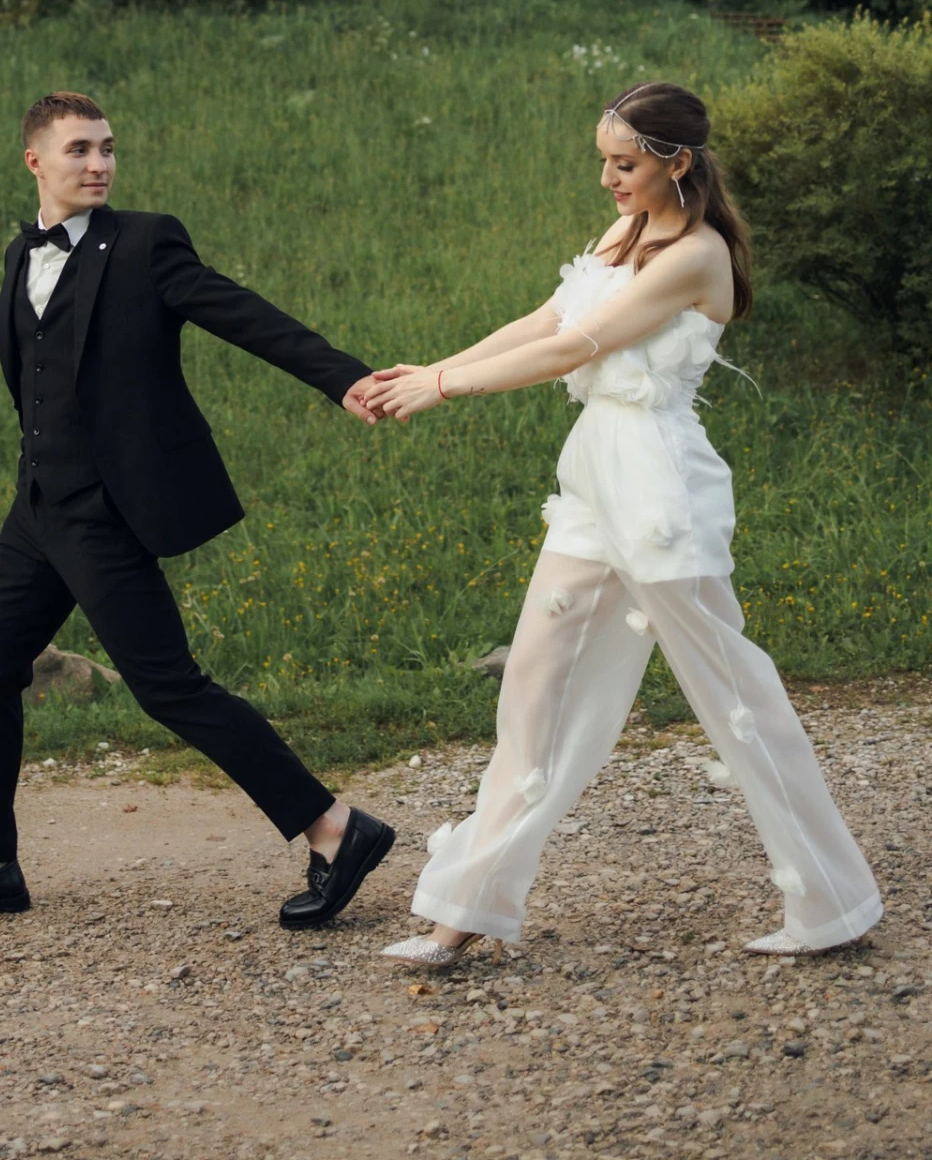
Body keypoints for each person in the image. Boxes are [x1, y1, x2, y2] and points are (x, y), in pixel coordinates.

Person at [368, 80, 882, 968]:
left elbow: (578, 347)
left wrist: (443, 389)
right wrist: (429, 367)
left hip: (658, 487)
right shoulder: (627, 230)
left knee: (735, 697)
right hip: (593, 480)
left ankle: (833, 902)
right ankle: (467, 907)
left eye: (625, 163)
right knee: (535, 685)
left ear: (676, 162)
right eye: (604, 161)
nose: (608, 178)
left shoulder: (697, 254)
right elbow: (545, 320)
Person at [0, 91, 395, 932]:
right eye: (80, 150)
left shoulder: (146, 243)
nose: (100, 164)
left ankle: (336, 829)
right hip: (37, 507)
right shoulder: (20, 253)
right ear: (35, 161)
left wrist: (342, 378)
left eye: (108, 149)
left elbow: (243, 313)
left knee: (167, 686)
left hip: (104, 509)